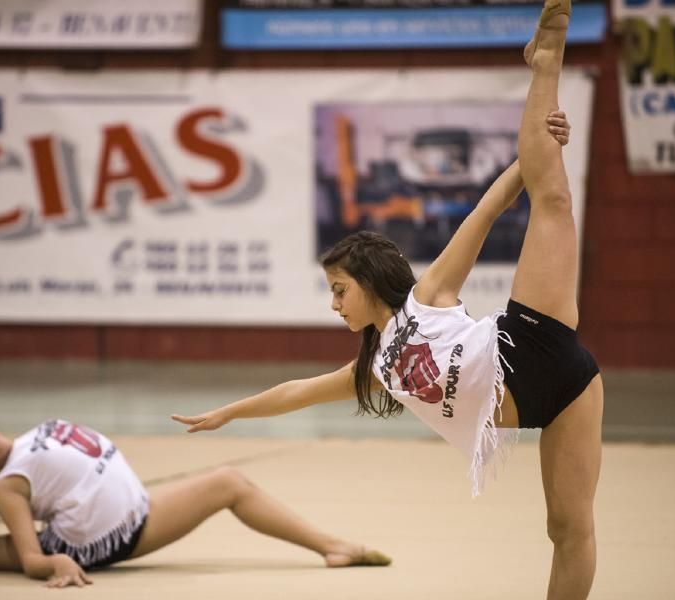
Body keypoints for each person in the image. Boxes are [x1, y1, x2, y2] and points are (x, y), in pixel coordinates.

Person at [173, 1, 602, 599]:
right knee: (564, 528)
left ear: (371, 283)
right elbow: (296, 392)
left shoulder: (427, 296)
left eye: (339, 290)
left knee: (552, 200)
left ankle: (547, 57)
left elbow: (488, 209)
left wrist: (535, 153)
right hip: (550, 403)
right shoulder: (376, 369)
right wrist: (228, 413)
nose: (335, 305)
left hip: (535, 341)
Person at [0, 415, 391, 587]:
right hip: (101, 542)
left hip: (139, 510)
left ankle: (332, 545)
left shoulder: (25, 442)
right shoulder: (8, 484)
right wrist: (54, 563)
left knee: (229, 480)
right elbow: (31, 559)